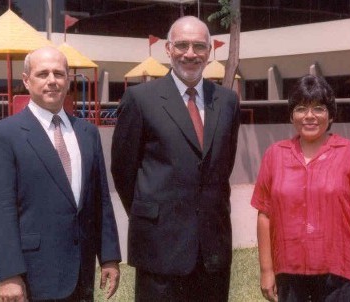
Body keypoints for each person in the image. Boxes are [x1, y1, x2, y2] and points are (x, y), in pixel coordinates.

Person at [111, 15, 240, 302]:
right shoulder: (140, 100)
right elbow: (123, 171)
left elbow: (221, 167)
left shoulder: (227, 102)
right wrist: (155, 215)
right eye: (182, 45)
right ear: (168, 49)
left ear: (210, 51)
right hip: (159, 247)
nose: (190, 54)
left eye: (199, 46)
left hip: (212, 248)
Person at [0, 46, 121, 301]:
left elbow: (100, 201)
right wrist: (9, 274)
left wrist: (110, 257)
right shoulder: (3, 135)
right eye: (42, 73)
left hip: (82, 271)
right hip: (34, 274)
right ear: (26, 80)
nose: (51, 81)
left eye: (58, 73)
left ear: (68, 80)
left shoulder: (87, 133)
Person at [251, 74, 350, 302]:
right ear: (292, 115)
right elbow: (265, 215)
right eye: (301, 108)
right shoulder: (275, 155)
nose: (309, 116)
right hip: (290, 274)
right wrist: (266, 270)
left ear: (330, 114)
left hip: (341, 275)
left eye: (319, 109)